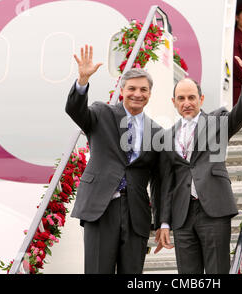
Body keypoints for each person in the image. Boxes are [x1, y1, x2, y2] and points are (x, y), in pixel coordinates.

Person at [155, 41, 242, 274]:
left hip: (213, 208)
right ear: (174, 103)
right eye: (181, 99)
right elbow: (166, 183)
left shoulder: (217, 122)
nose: (187, 103)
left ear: (201, 99)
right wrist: (164, 222)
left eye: (191, 97)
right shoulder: (166, 137)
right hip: (182, 216)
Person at [65, 45, 162, 274]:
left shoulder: (157, 132)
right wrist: (82, 81)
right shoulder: (101, 113)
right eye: (132, 88)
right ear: (122, 90)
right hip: (101, 207)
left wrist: (160, 221)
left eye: (143, 89)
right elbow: (75, 111)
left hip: (136, 213)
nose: (137, 94)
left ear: (149, 94)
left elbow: (158, 181)